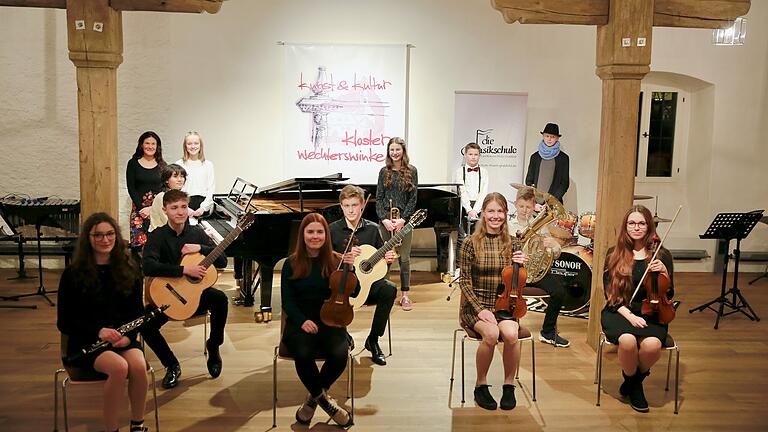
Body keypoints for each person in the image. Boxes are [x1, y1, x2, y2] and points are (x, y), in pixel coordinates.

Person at [57, 213, 149, 432]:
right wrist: (99, 331)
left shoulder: (130, 268)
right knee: (119, 367)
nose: (105, 239)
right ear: (88, 238)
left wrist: (128, 336)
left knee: (138, 366)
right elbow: (65, 321)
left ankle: (138, 425)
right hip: (86, 341)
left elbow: (138, 313)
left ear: (116, 236)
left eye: (109, 234)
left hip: (121, 338)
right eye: (98, 235)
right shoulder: (73, 275)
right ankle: (111, 429)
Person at [141, 189, 228, 389]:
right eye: (174, 208)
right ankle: (171, 365)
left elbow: (222, 261)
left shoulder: (197, 233)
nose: (180, 212)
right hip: (166, 297)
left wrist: (202, 248)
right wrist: (184, 270)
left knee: (220, 299)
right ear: (165, 210)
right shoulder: (157, 236)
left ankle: (213, 346)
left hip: (193, 297)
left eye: (183, 207)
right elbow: (148, 266)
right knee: (145, 324)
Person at [281, 213, 354, 427]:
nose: (315, 236)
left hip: (330, 320)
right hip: (300, 323)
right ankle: (327, 403)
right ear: (302, 235)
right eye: (310, 231)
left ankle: (312, 401)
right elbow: (287, 301)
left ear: (326, 235)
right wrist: (302, 321)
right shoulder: (291, 263)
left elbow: (354, 291)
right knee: (303, 353)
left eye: (319, 232)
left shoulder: (336, 260)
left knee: (340, 354)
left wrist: (351, 267)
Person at [602, 205, 674, 413]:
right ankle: (636, 387)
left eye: (641, 223)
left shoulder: (662, 255)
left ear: (649, 225)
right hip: (620, 311)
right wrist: (630, 316)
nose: (636, 227)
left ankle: (631, 381)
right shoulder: (614, 254)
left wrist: (665, 273)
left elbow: (669, 294)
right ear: (625, 227)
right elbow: (610, 294)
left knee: (652, 346)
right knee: (627, 341)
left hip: (652, 311)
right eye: (632, 223)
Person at [459, 193, 528, 411]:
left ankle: (509, 385)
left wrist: (523, 266)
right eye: (491, 211)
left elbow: (521, 281)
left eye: (500, 211)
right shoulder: (470, 243)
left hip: (504, 305)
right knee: (490, 334)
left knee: (511, 334)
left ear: (506, 214)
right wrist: (480, 310)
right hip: (475, 306)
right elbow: (464, 282)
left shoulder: (513, 243)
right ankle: (481, 384)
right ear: (483, 214)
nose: (495, 216)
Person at [329, 185, 397, 366]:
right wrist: (343, 258)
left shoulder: (373, 229)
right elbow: (325, 261)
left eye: (354, 205)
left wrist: (387, 258)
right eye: (346, 205)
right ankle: (343, 336)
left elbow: (380, 259)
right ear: (341, 206)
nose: (351, 210)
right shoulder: (332, 230)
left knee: (389, 289)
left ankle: (373, 340)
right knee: (325, 291)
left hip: (367, 284)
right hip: (342, 285)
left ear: (361, 206)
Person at [508, 187, 570, 347]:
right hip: (516, 271)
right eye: (521, 206)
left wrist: (553, 245)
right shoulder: (508, 225)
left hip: (535, 273)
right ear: (516, 204)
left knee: (559, 290)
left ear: (534, 206)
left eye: (528, 207)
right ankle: (508, 326)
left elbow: (554, 254)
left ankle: (548, 331)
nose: (524, 210)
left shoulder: (541, 225)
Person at [375, 137, 418, 311]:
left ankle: (405, 296)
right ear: (388, 151)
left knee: (405, 259)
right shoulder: (383, 171)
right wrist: (385, 219)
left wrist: (403, 219)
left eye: (397, 150)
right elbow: (378, 198)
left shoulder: (412, 171)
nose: (394, 153)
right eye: (391, 150)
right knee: (386, 259)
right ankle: (384, 294)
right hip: (386, 222)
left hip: (404, 223)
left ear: (403, 151)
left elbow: (413, 199)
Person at [126, 131, 166, 260]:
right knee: (138, 246)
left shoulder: (162, 165)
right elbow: (131, 188)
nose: (150, 146)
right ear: (141, 145)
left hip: (158, 211)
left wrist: (152, 208)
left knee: (156, 245)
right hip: (139, 211)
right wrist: (141, 209)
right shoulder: (133, 163)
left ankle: (155, 277)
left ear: (157, 146)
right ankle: (137, 277)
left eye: (153, 144)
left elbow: (164, 188)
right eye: (147, 143)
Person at [454, 142, 489, 270]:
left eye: (476, 154)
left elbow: (483, 192)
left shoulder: (484, 172)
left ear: (479, 156)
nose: (473, 157)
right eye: (470, 154)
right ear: (465, 155)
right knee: (462, 238)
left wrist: (476, 209)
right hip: (464, 206)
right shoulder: (459, 171)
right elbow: (461, 191)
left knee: (478, 238)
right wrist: (469, 209)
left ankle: (476, 267)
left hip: (478, 207)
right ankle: (459, 268)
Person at [175, 131, 215, 221]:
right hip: (184, 206)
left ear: (201, 145)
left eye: (196, 143)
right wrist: (185, 208)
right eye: (189, 144)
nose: (193, 146)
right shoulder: (179, 164)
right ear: (185, 146)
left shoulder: (208, 165)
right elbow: (175, 190)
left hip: (203, 207)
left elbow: (211, 189)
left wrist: (203, 208)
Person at [525, 123, 569, 203]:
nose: (549, 139)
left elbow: (564, 183)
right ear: (543, 136)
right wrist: (533, 198)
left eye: (552, 137)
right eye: (547, 136)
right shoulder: (535, 157)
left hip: (554, 202)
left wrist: (553, 199)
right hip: (536, 203)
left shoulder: (563, 158)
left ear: (557, 138)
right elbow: (529, 180)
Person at [149, 163, 187, 232]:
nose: (180, 180)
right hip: (160, 237)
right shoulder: (162, 197)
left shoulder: (180, 196)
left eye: (182, 176)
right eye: (175, 176)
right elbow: (171, 222)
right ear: (166, 180)